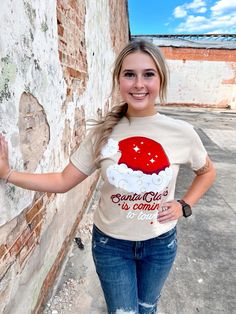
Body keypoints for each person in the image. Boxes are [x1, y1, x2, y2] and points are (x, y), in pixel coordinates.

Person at [0, 40, 216, 314]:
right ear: (119, 79)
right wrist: (8, 174)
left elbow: (207, 172)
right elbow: (62, 181)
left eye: (148, 74)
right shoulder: (103, 133)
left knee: (147, 308)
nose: (139, 84)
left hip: (160, 245)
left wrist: (184, 204)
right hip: (111, 247)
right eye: (130, 74)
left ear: (160, 79)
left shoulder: (182, 132)